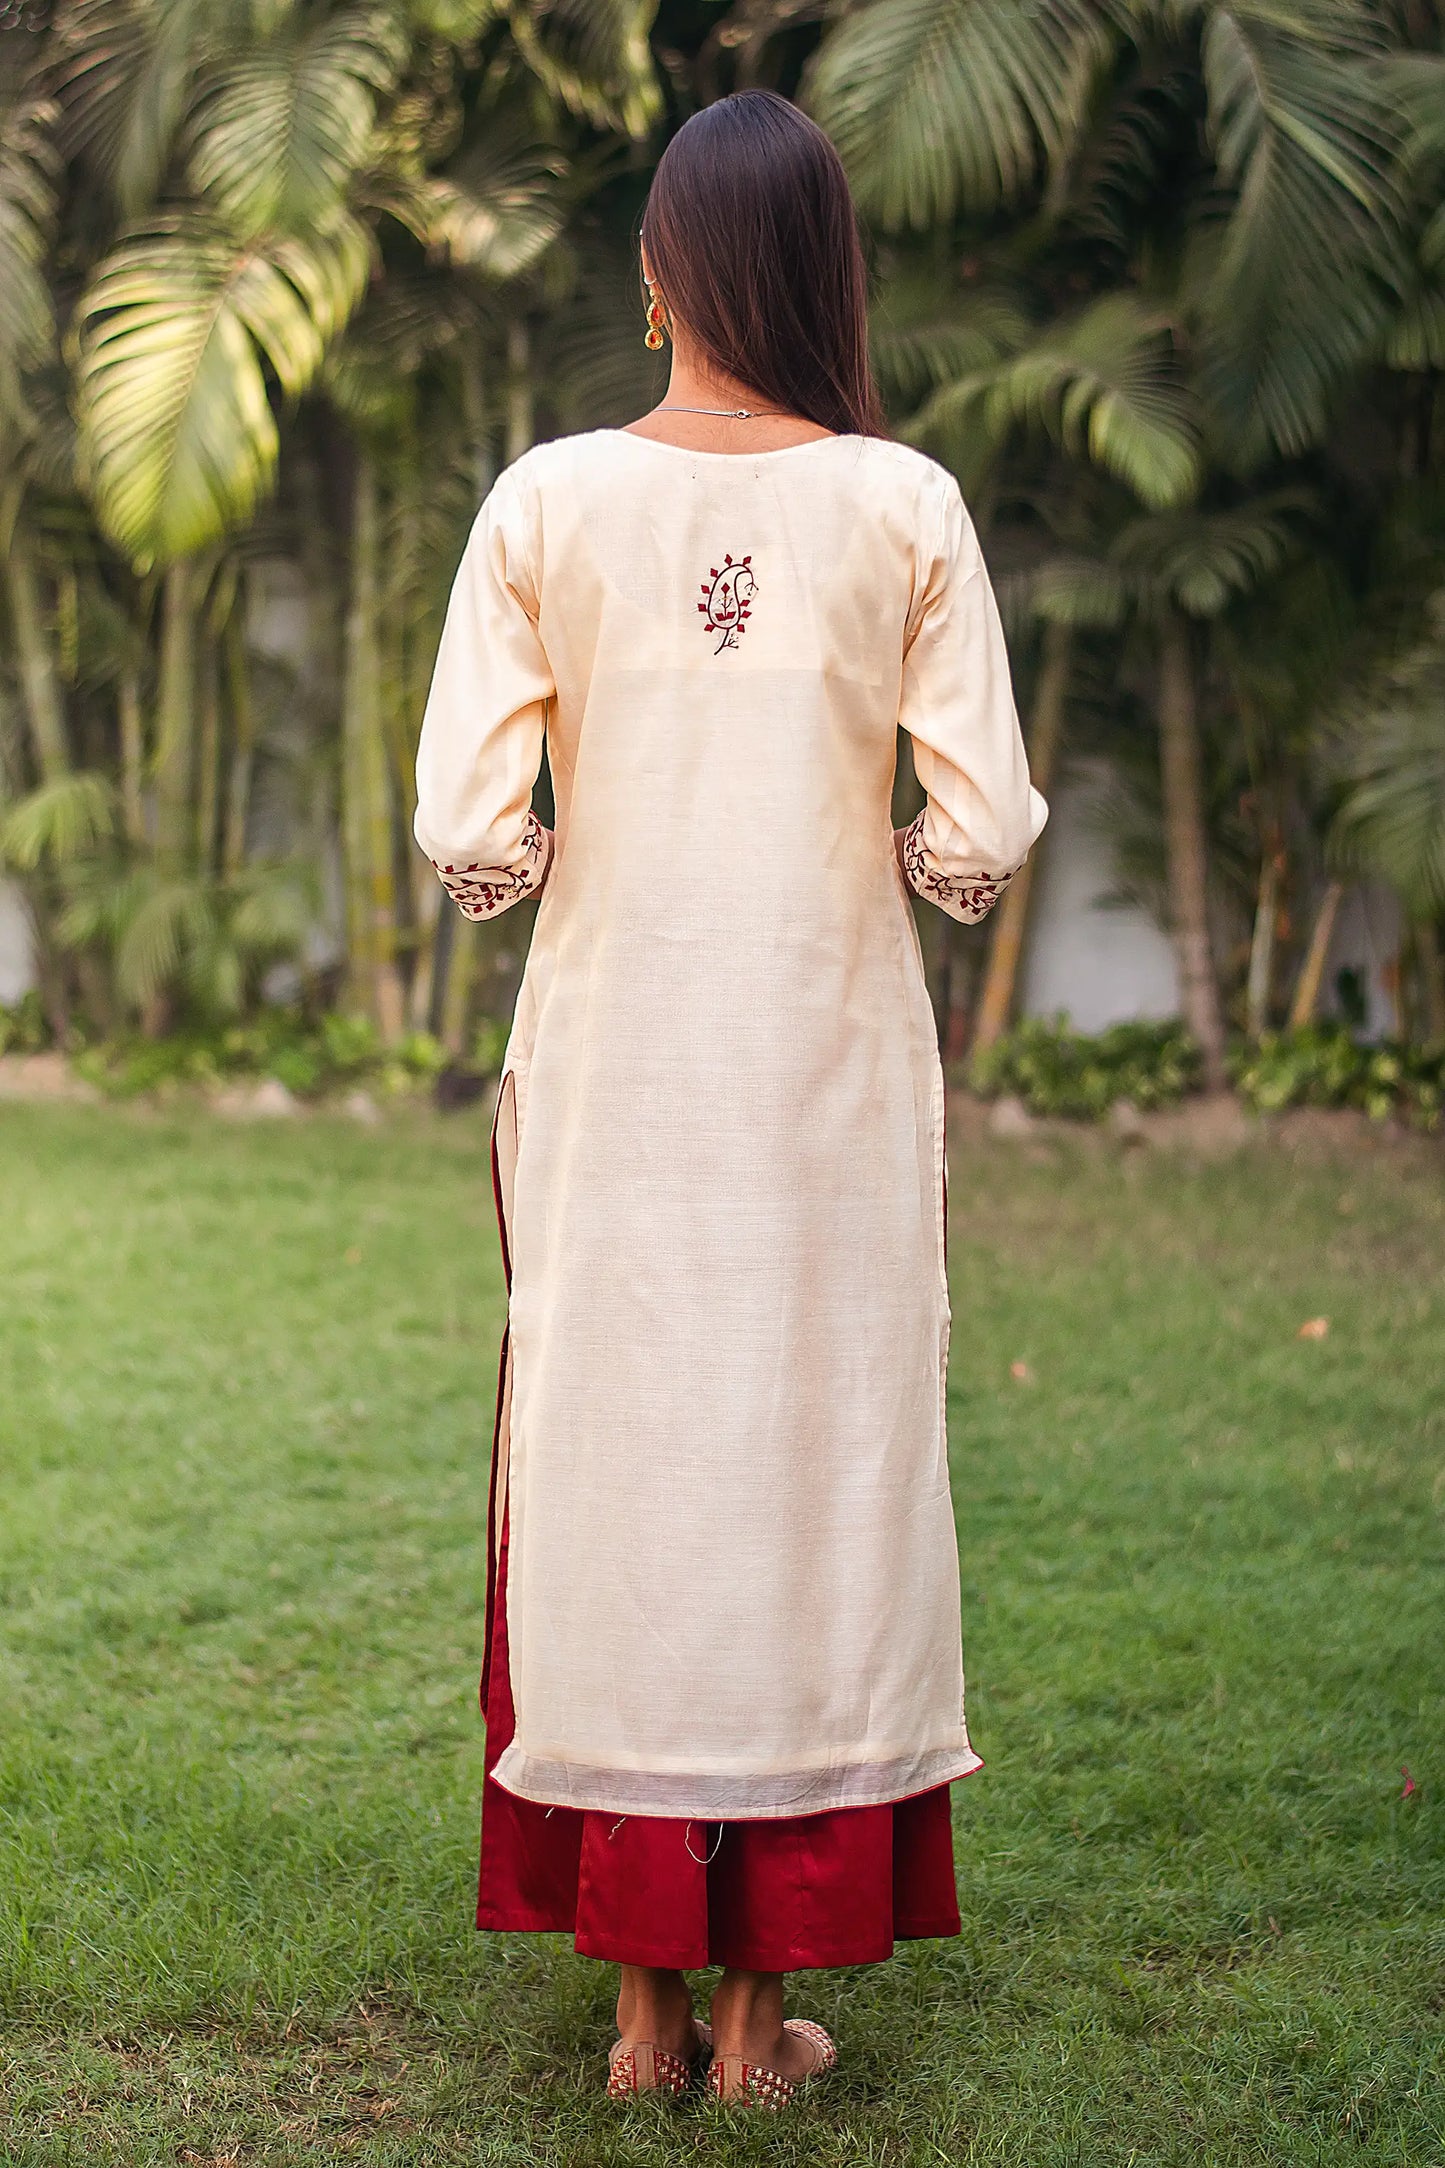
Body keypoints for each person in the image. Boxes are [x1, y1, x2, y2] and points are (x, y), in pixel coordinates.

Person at [413, 88, 1047, 2111]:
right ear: (824, 277)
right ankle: (766, 2023)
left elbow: (464, 828)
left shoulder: (542, 501)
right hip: (824, 1071)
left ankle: (639, 2018)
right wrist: (882, 857)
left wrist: (564, 845)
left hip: (615, 1062)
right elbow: (985, 826)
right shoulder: (908, 507)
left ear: (657, 274)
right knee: (808, 1468)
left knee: (615, 1456)